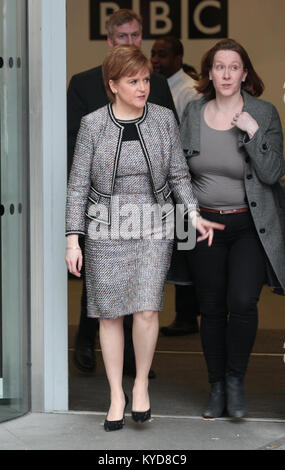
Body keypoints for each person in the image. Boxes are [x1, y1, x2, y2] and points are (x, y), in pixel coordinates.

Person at [65, 45, 224, 431]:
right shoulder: (93, 125)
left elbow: (178, 175)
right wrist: (73, 238)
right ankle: (116, 394)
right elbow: (77, 186)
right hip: (105, 226)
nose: (143, 87)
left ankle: (140, 386)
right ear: (113, 85)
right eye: (133, 81)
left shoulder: (163, 119)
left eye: (146, 80)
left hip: (154, 224)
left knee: (148, 308)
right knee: (110, 314)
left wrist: (191, 213)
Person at [67, 9, 178, 378]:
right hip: (103, 207)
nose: (131, 42)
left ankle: (135, 365)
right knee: (101, 291)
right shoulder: (84, 84)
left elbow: (169, 144)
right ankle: (85, 340)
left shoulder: (156, 84)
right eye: (124, 37)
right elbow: (75, 153)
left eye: (136, 36)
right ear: (110, 40)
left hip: (148, 210)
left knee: (144, 293)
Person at [180, 38, 285, 419]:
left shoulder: (264, 112)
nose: (226, 74)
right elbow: (178, 173)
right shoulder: (193, 112)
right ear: (209, 73)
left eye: (233, 67)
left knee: (242, 302)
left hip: (250, 226)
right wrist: (189, 216)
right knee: (210, 308)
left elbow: (273, 173)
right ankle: (216, 386)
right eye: (219, 67)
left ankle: (236, 381)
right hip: (204, 224)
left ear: (245, 73)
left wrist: (254, 132)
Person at [151, 36, 200, 336]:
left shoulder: (189, 91)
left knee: (186, 247)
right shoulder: (156, 86)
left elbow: (190, 141)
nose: (156, 60)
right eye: (154, 54)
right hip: (162, 180)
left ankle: (187, 316)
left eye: (163, 55)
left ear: (179, 58)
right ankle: (185, 315)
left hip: (185, 181)